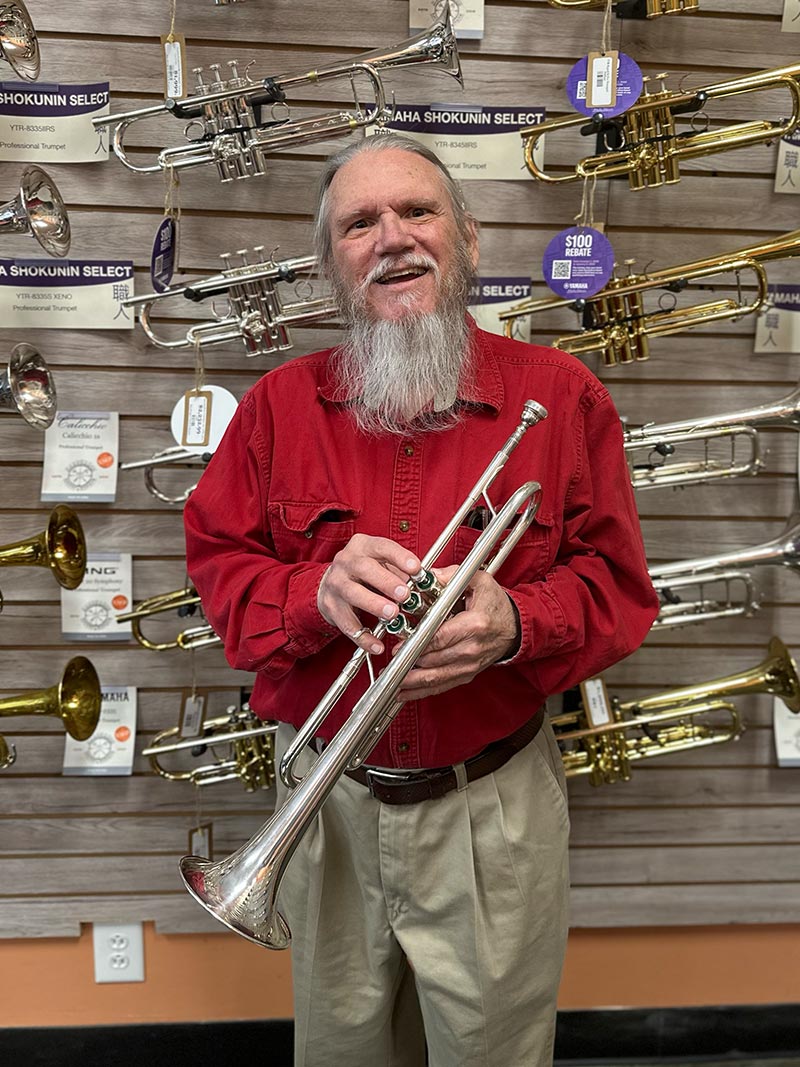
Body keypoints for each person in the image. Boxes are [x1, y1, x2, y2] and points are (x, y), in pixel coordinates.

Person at [184, 134, 659, 1067]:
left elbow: (619, 589)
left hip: (490, 807)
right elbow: (221, 577)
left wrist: (516, 621)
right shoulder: (274, 409)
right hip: (327, 809)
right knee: (341, 1052)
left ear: (468, 239)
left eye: (418, 212)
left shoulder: (561, 398)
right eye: (360, 224)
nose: (393, 238)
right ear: (333, 267)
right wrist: (312, 591)